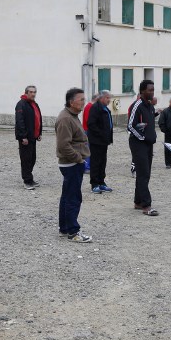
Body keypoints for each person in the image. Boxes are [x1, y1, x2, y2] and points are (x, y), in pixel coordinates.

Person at [55, 88, 91, 242]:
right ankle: (73, 232)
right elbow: (64, 145)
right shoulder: (65, 119)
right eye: (81, 99)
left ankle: (64, 228)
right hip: (71, 164)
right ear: (72, 102)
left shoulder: (73, 116)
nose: (84, 102)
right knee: (73, 198)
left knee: (67, 196)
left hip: (73, 163)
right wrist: (79, 159)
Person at [127, 80, 158, 216]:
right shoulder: (137, 105)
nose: (152, 92)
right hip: (138, 144)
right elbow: (130, 126)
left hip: (148, 144)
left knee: (145, 173)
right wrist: (142, 138)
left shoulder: (150, 106)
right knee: (143, 173)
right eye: (150, 90)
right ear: (142, 91)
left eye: (153, 90)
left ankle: (138, 201)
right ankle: (146, 205)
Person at [14, 85, 42, 190]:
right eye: (31, 92)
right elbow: (20, 121)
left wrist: (39, 133)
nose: (33, 94)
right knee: (26, 159)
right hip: (26, 138)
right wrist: (23, 137)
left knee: (32, 159)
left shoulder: (34, 104)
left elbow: (39, 118)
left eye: (34, 92)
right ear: (26, 92)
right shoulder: (21, 104)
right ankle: (27, 181)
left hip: (33, 137)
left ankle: (30, 178)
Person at [86, 90, 114, 193]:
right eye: (107, 98)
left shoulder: (105, 108)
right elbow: (91, 124)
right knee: (95, 162)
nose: (109, 100)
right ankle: (94, 184)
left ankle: (102, 182)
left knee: (103, 162)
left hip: (104, 141)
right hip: (96, 141)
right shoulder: (95, 108)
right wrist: (101, 134)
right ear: (101, 98)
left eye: (109, 98)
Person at [82, 94, 98, 173]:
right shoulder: (89, 107)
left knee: (91, 148)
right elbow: (89, 120)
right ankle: (86, 167)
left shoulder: (91, 106)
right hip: (88, 130)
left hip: (90, 130)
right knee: (87, 148)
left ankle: (89, 166)